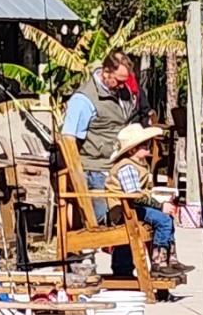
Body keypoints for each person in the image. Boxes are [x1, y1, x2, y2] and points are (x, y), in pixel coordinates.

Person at [61, 49, 143, 221]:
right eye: (119, 81)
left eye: (124, 81)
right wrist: (76, 178)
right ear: (106, 72)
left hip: (118, 166)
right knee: (102, 221)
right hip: (96, 170)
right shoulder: (83, 100)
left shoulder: (123, 92)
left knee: (124, 219)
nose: (122, 85)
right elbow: (68, 139)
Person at [105, 123, 189, 278]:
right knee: (163, 220)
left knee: (167, 217)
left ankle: (170, 258)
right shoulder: (127, 167)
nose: (148, 146)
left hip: (132, 207)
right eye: (144, 145)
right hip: (123, 210)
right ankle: (158, 263)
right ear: (132, 150)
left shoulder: (138, 165)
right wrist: (159, 205)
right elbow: (135, 195)